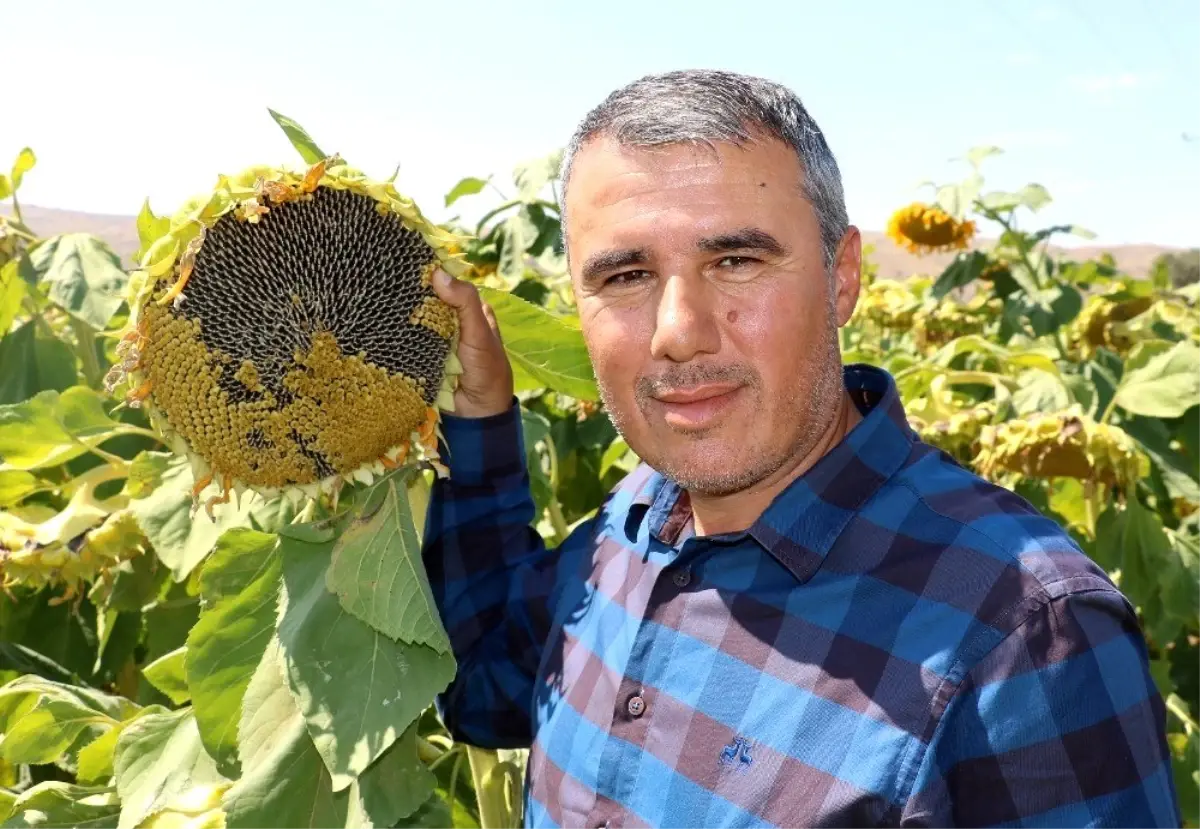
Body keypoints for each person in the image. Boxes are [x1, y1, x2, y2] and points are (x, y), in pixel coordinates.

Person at [424, 69, 1180, 828]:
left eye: (736, 261)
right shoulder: (637, 516)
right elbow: (485, 683)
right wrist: (479, 418)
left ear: (842, 277)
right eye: (627, 275)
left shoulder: (1024, 636)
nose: (678, 332)